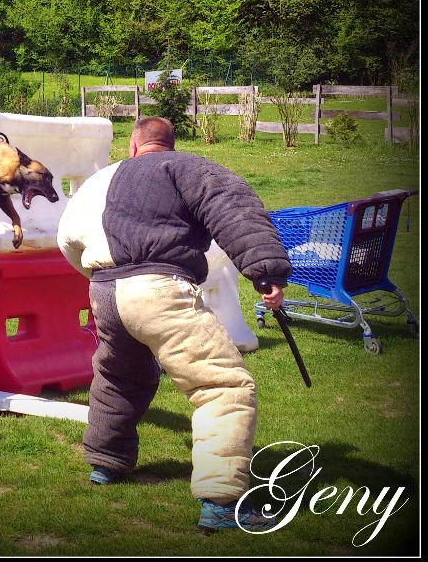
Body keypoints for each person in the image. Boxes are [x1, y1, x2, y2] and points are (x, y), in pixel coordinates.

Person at [57, 116, 292, 533]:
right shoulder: (184, 167)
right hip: (157, 288)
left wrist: (98, 280)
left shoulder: (101, 179)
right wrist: (266, 272)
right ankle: (220, 502)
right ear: (170, 144)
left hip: (103, 290)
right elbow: (234, 209)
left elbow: (67, 238)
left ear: (132, 146)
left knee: (119, 376)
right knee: (223, 385)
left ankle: (105, 464)